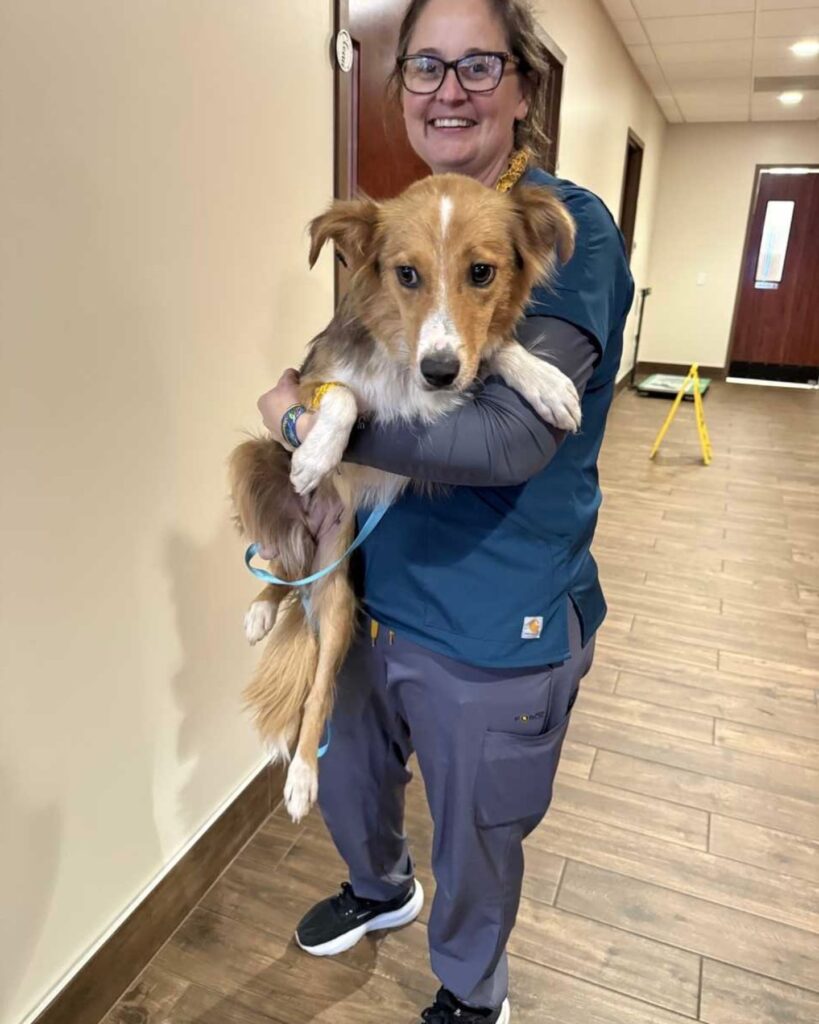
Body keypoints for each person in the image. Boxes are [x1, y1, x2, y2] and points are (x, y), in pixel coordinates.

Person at [257, 1, 634, 1020]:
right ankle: (380, 888)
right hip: (374, 585)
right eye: (426, 65)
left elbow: (504, 441)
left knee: (475, 825)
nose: (449, 89)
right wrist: (316, 414)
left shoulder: (562, 228)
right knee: (350, 774)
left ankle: (472, 991)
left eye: (479, 65)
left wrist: (297, 423)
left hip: (492, 613)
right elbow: (363, 364)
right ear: (400, 88)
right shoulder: (397, 225)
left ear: (524, 86)